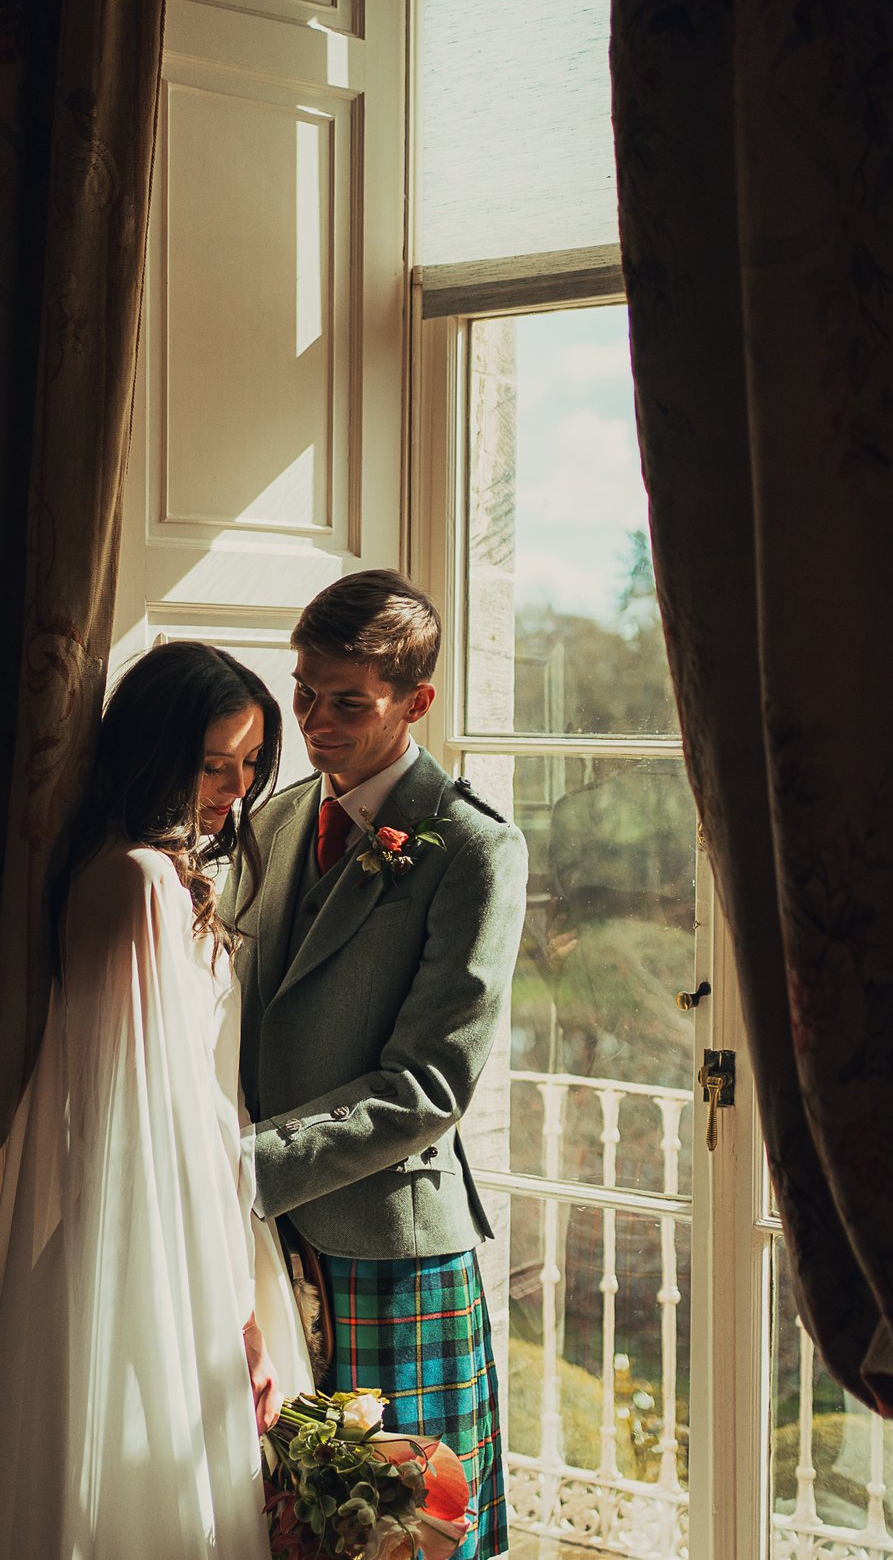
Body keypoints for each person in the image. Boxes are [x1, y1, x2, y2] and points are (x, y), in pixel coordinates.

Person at [0, 640, 308, 1559]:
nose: (238, 790)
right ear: (155, 752)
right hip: (163, 1243)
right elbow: (171, 1119)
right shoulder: (142, 885)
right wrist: (238, 1310)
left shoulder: (99, 865)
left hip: (107, 1235)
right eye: (216, 765)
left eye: (251, 764)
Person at [234, 570, 530, 1560]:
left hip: (386, 1246)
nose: (314, 721)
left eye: (347, 702)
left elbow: (428, 1087)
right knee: (284, 1524)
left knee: (409, 1541)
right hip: (259, 1244)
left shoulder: (471, 845)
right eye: (303, 692)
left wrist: (244, 1167)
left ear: (416, 700)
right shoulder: (272, 822)